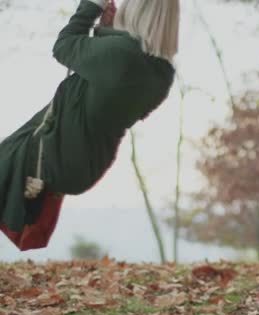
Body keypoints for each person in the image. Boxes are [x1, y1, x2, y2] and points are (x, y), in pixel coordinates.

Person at [0, 0, 180, 250]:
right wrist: (105, 31)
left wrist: (90, 7)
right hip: (86, 165)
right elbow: (106, 82)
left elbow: (63, 46)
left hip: (54, 156)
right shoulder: (162, 74)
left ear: (136, 11)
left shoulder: (119, 54)